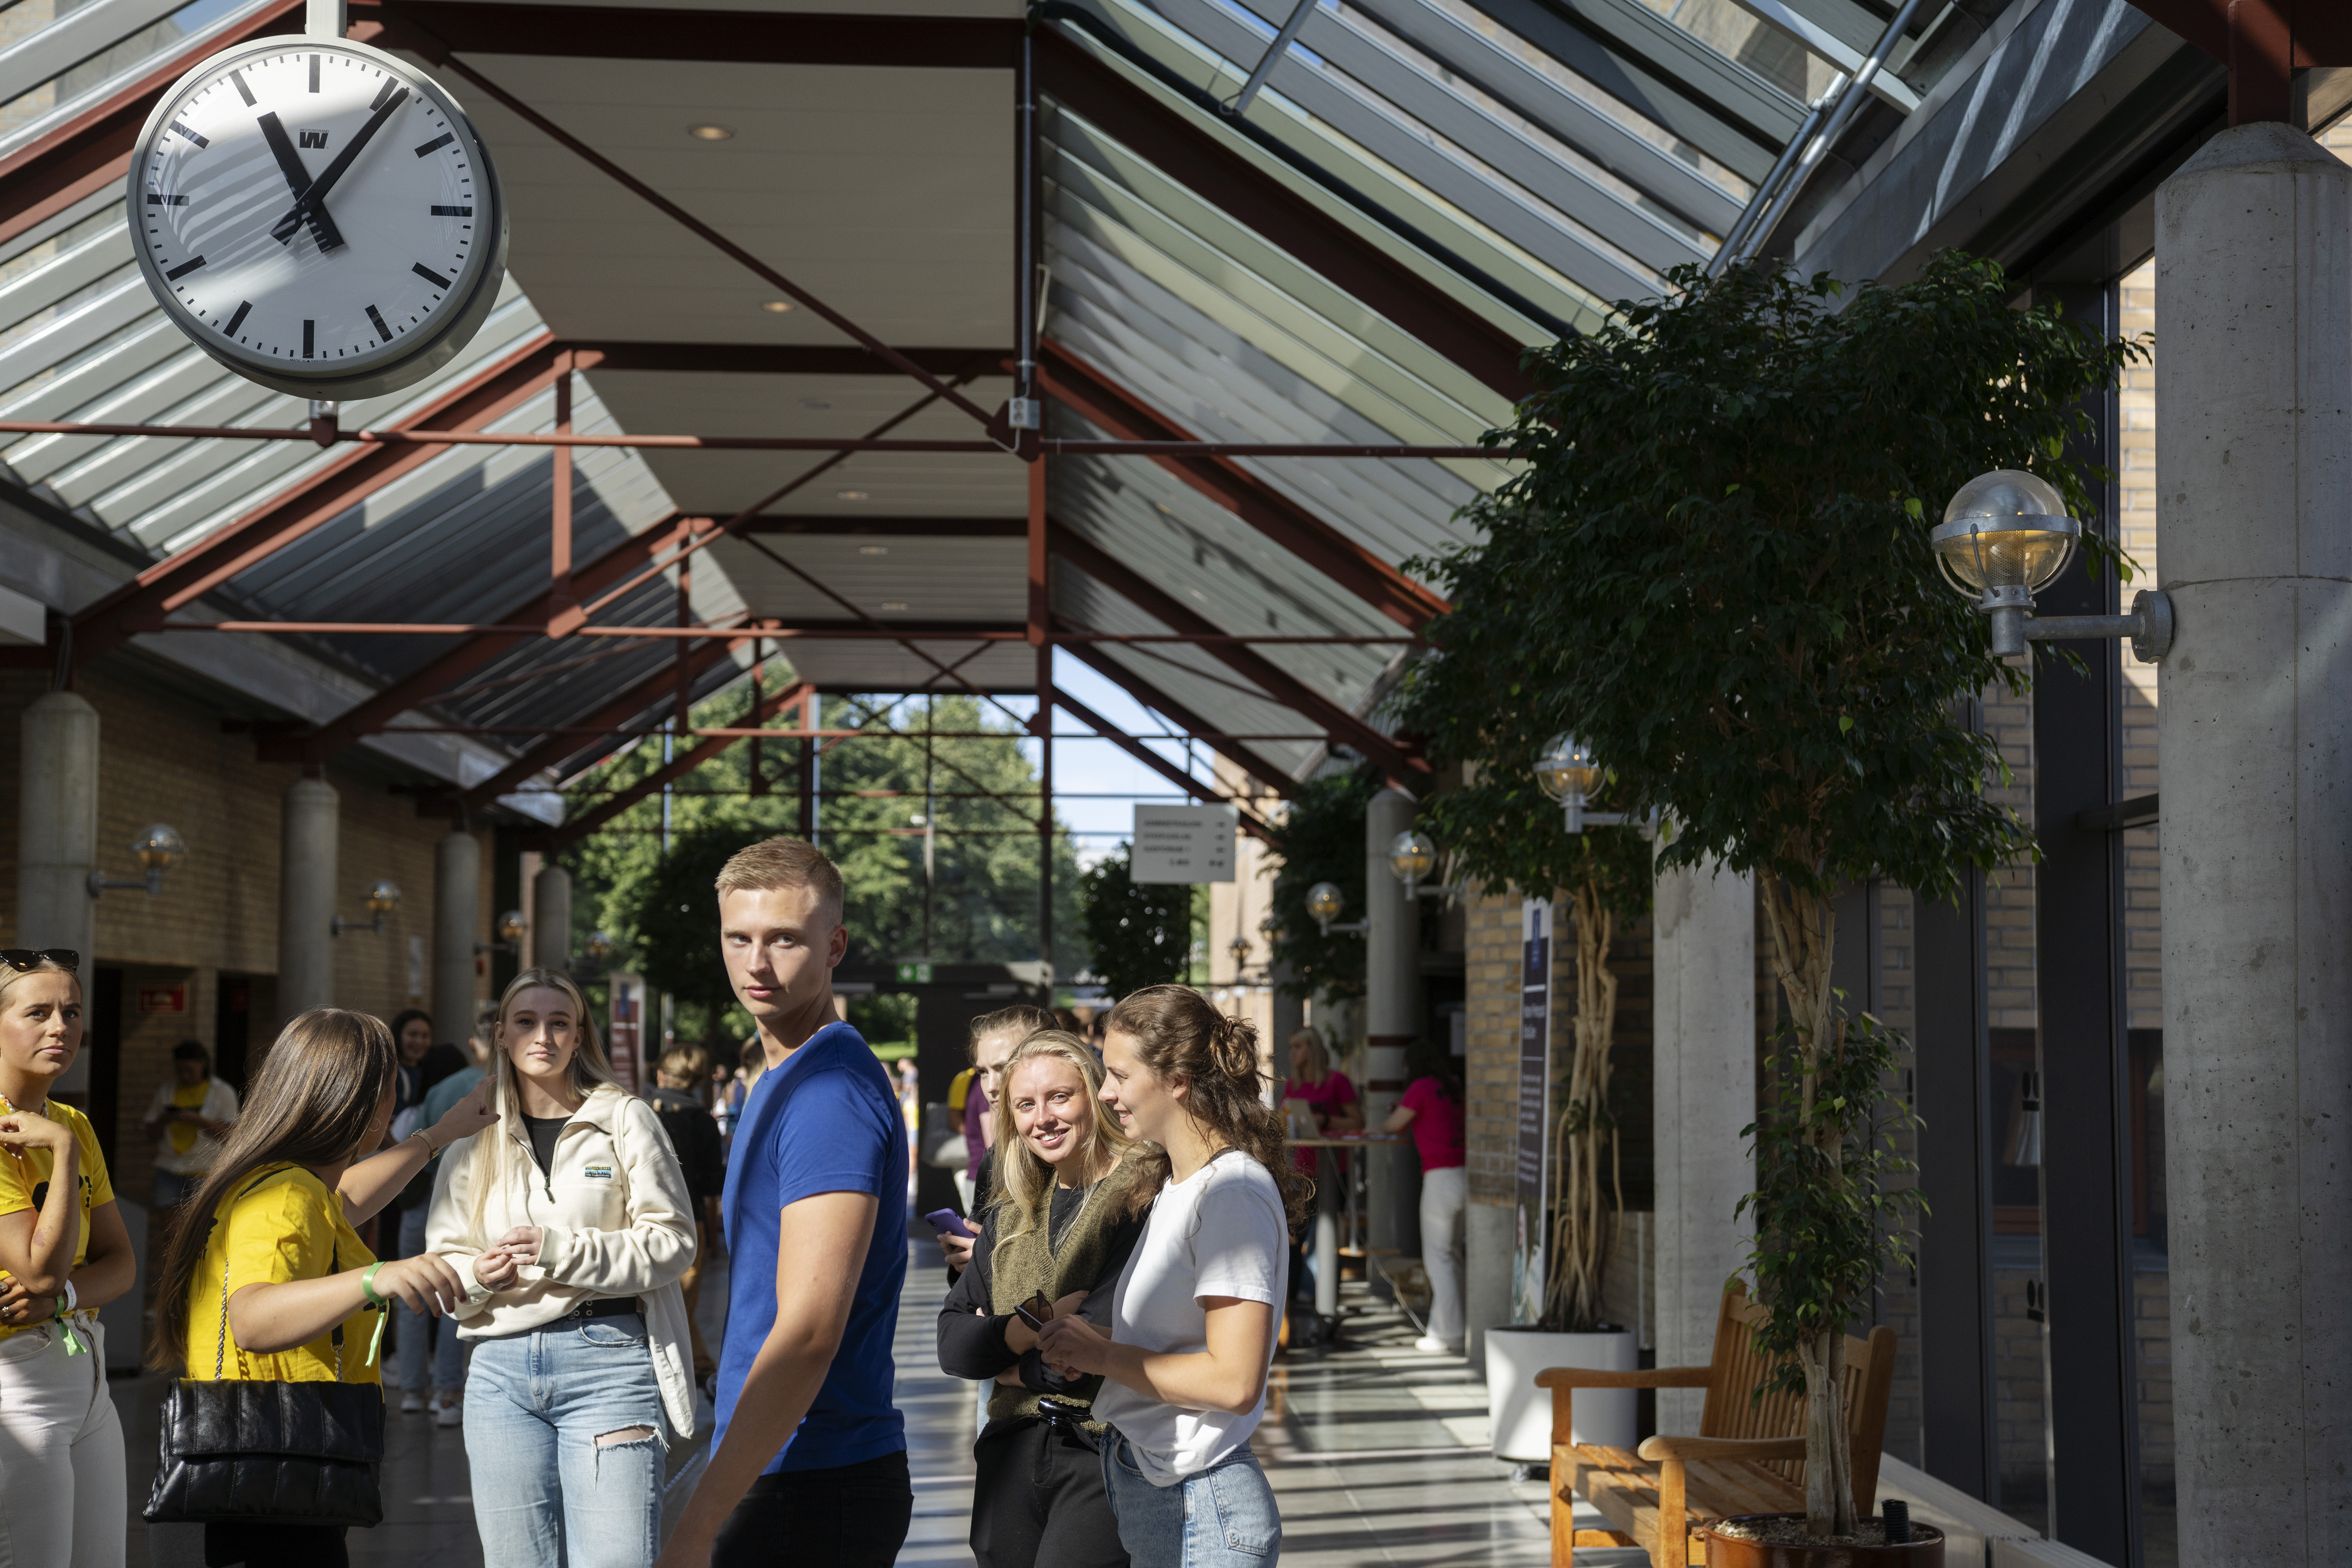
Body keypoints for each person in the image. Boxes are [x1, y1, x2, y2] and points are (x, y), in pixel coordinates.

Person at [150, 1007, 498, 1568]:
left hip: (253, 1482)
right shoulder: (285, 1195)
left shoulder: (287, 1183)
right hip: (265, 1494)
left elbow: (348, 1200)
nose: (393, 1102)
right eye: (389, 1089)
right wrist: (375, 1277)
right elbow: (254, 1319)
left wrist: (438, 1135)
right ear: (361, 1104)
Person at [655, 837, 913, 1568]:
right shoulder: (781, 1078)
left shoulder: (829, 1094)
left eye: (785, 940)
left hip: (813, 1475)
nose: (757, 964)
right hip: (785, 1464)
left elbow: (806, 1333)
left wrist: (700, 1525)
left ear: (835, 946)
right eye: (739, 938)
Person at [427, 967, 700, 1568]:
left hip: (608, 1361)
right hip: (497, 1372)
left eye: (560, 1023)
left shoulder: (625, 1119)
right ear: (500, 1034)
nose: (542, 1036)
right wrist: (478, 1276)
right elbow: (444, 1258)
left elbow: (674, 1242)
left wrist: (560, 1249)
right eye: (526, 1022)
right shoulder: (471, 1134)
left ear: (580, 1037)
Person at [1035, 987, 1308, 1568]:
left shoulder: (1230, 1192)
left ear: (1178, 1079)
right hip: (1166, 1493)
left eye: (1119, 1075)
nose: (1106, 1093)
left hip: (1201, 1509)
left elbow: (1234, 1381)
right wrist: (1092, 1347)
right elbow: (1177, 1349)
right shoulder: (1179, 1185)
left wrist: (1106, 1358)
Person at [936, 1031, 1147, 1568]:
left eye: (1060, 1097)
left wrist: (1005, 1361)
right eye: (1025, 1105)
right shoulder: (1010, 1215)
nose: (1043, 1119)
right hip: (1010, 1454)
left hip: (1101, 1453)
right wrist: (1031, 1331)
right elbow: (953, 1345)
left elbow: (1091, 1350)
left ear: (1093, 1096)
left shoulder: (1140, 1196)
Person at [0, 948, 136, 1568]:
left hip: (86, 1366)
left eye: (72, 1011)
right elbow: (38, 1269)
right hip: (16, 1381)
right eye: (38, 1012)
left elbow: (122, 1264)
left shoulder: (73, 1125)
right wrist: (59, 1152)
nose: (61, 1027)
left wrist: (69, 1299)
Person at [395, 1001, 499, 1424]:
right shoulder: (505, 1088)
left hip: (423, 1196)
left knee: (410, 1293)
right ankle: (450, 1390)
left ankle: (411, 1388)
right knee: (458, 1292)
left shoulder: (443, 1087)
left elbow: (413, 1135)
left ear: (474, 1042)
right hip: (471, 1203)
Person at [1381, 1040, 1466, 1354]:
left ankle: (1448, 1334)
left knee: (1439, 1259)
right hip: (1466, 1175)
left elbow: (1393, 1127)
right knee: (1454, 1256)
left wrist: (1375, 1127)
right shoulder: (1453, 1086)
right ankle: (1455, 1328)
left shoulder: (1419, 1087)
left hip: (1440, 1178)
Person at [650, 1045, 726, 1382]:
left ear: (660, 1075)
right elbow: (713, 1183)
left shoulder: (643, 1114)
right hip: (689, 1223)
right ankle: (700, 1370)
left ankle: (698, 1369)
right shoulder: (704, 1122)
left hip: (643, 1223)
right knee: (681, 1307)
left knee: (667, 1309)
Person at [950, 1005, 1051, 1243]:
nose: (991, 1086)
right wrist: (971, 1260)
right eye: (982, 1072)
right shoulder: (995, 1160)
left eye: (1003, 1068)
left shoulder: (1090, 1154)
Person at [1281, 1028, 1357, 1314]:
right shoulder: (1293, 1086)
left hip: (1332, 1168)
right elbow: (1283, 1120)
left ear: (1312, 1049)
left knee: (1325, 1234)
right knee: (1295, 1234)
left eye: (1299, 1046)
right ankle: (1295, 1297)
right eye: (1291, 1047)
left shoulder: (1337, 1082)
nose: (1293, 1053)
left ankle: (1323, 1298)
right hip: (1300, 1170)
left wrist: (1326, 1120)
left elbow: (1356, 1119)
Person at [143, 1038, 240, 1210]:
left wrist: (198, 1120)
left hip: (204, 1169)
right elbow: (150, 1134)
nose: (185, 1077)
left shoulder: (222, 1092)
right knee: (169, 1227)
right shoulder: (166, 1091)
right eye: (179, 1071)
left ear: (203, 1064)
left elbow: (231, 1136)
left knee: (201, 1226)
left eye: (190, 1071)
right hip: (170, 1166)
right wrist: (166, 1119)